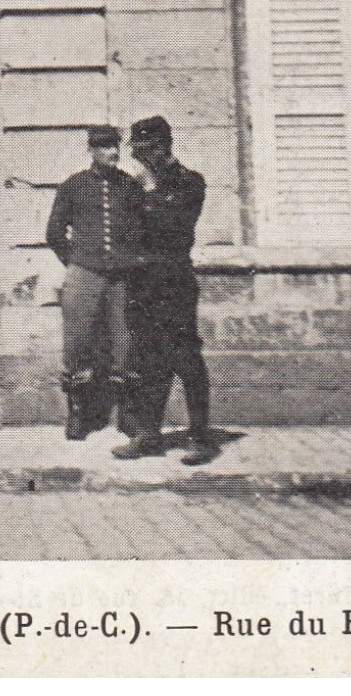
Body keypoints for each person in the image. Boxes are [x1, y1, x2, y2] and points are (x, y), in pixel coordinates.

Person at [113, 115, 216, 465]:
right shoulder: (134, 187)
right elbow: (126, 234)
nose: (138, 159)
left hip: (175, 283)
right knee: (147, 360)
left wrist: (150, 193)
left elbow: (174, 227)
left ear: (161, 149)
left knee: (186, 359)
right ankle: (149, 435)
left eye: (143, 152)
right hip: (142, 285)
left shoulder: (190, 183)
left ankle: (201, 438)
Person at [45, 126, 146, 441]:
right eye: (104, 147)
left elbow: (142, 231)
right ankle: (78, 414)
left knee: (124, 343)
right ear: (91, 150)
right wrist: (77, 262)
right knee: (76, 343)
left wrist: (130, 260)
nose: (113, 153)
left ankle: (127, 413)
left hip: (121, 278)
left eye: (115, 146)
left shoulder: (129, 186)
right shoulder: (73, 186)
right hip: (83, 274)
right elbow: (54, 233)